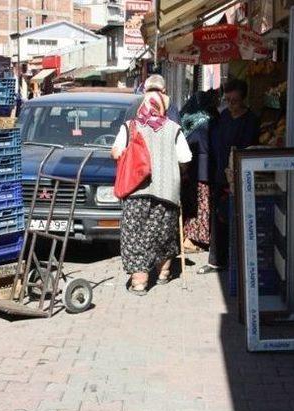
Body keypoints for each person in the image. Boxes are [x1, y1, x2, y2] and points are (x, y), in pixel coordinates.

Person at [111, 74, 192, 295]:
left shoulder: (130, 127)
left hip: (136, 189)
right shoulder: (173, 128)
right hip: (167, 191)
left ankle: (139, 283)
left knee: (135, 235)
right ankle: (164, 273)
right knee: (163, 234)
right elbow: (186, 159)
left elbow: (116, 152)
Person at [198, 79, 260, 275]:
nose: (231, 104)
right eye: (228, 100)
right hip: (220, 176)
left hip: (241, 176)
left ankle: (240, 261)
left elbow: (248, 147)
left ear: (243, 99)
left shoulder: (251, 120)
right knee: (219, 218)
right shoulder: (224, 116)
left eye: (235, 101)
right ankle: (217, 261)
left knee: (241, 219)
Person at [179, 90, 219, 253]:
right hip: (206, 169)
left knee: (193, 204)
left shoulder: (186, 120)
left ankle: (190, 237)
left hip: (190, 169)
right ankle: (198, 239)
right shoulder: (211, 120)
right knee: (203, 204)